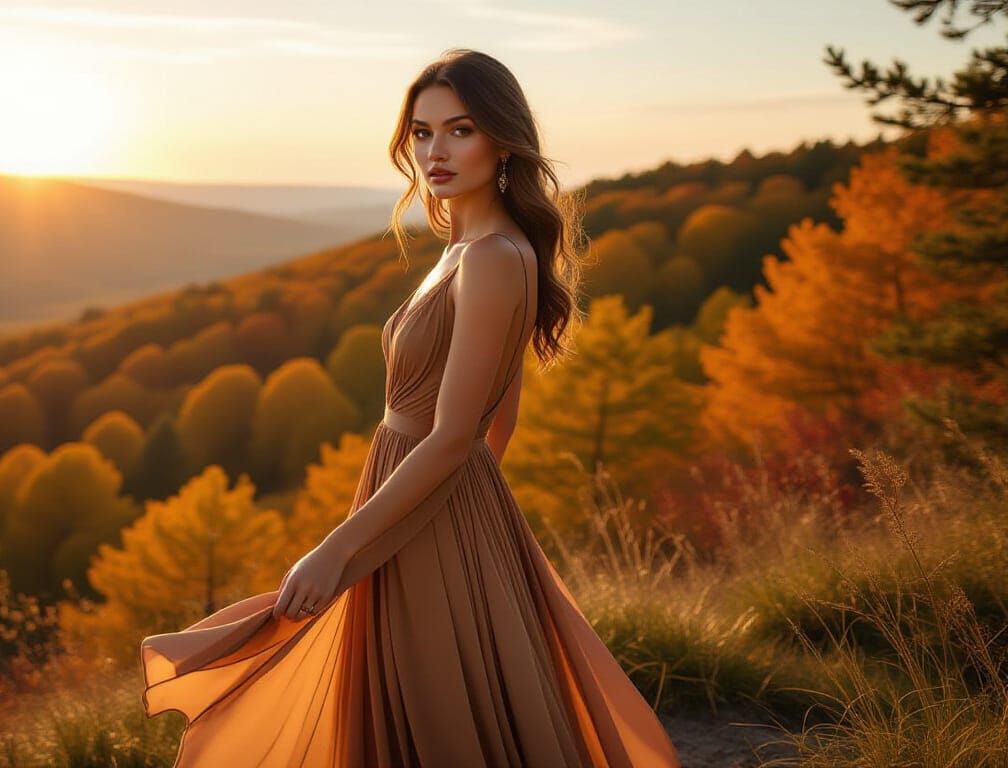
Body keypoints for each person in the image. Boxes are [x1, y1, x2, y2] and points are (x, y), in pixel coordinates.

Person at [141, 48, 682, 767]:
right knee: (414, 695)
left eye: (459, 129)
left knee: (435, 706)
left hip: (429, 497)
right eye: (422, 133)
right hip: (429, 499)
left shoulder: (491, 256)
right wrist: (465, 515)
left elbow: (460, 433)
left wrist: (340, 547)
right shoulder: (462, 247)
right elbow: (501, 420)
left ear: (503, 137)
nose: (436, 151)